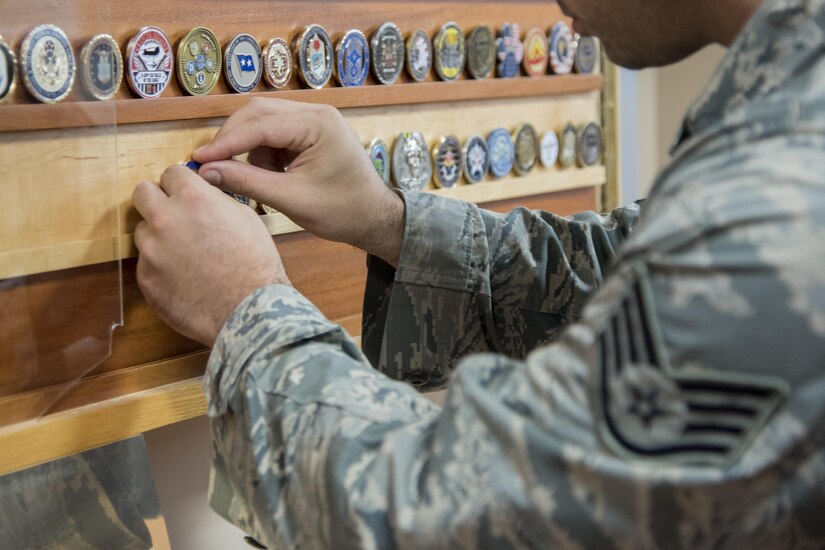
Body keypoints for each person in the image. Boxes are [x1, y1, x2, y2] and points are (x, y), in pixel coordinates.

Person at [132, 0, 825, 546]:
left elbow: (460, 516)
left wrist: (247, 310)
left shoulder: (784, 187)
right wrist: (384, 218)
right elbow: (613, 278)